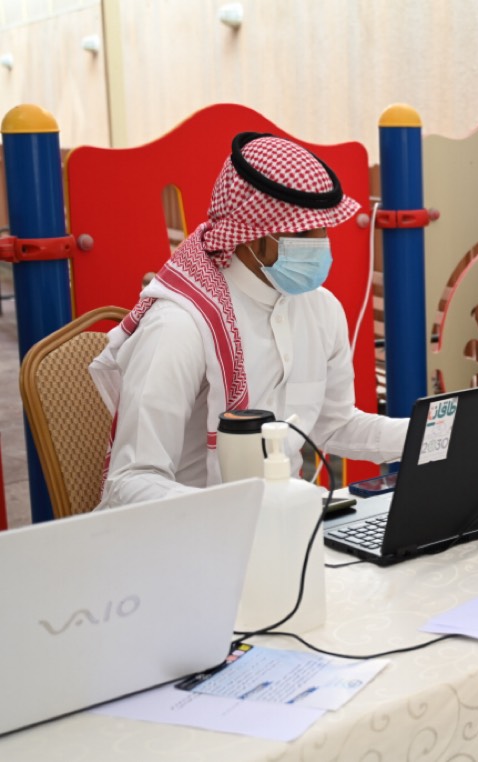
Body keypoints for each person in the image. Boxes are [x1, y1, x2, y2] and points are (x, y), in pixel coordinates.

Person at [90, 132, 408, 508]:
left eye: (324, 228)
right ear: (253, 236)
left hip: (290, 520)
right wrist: (241, 514)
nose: (321, 243)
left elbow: (335, 425)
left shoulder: (322, 310)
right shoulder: (180, 326)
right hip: (194, 529)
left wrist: (439, 433)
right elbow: (131, 481)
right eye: (303, 232)